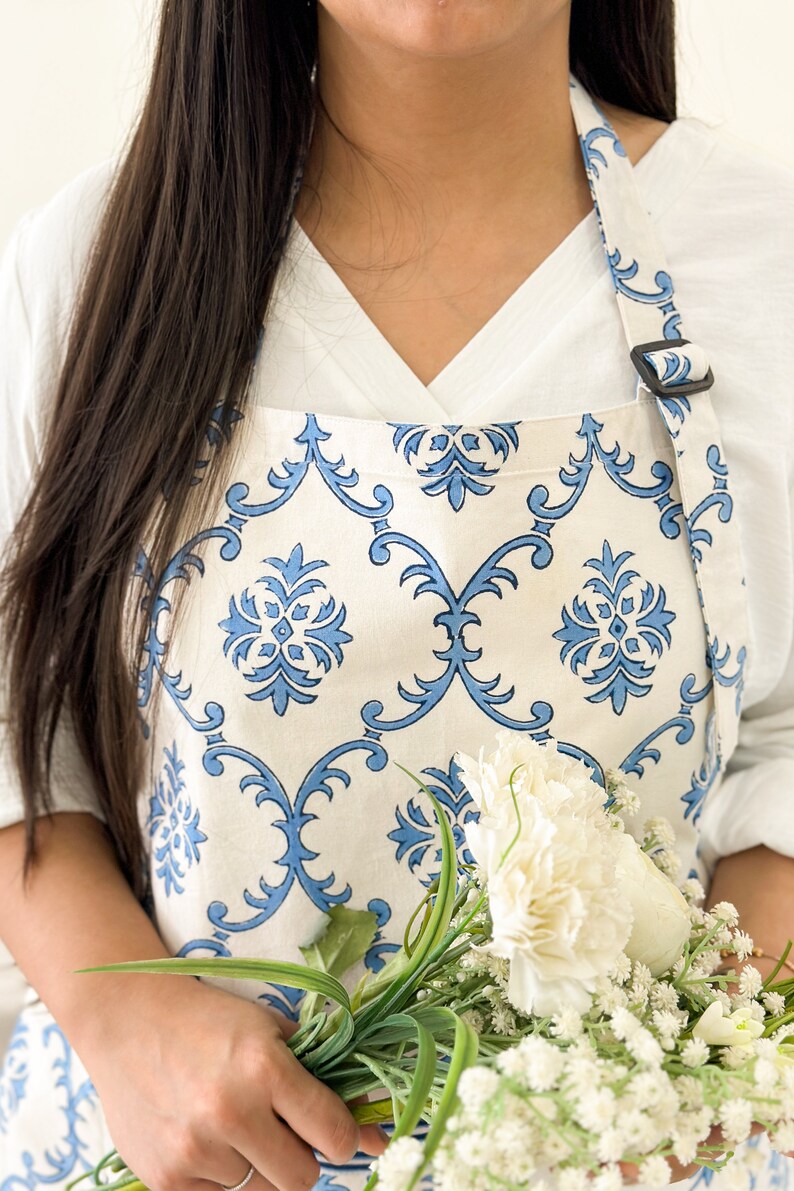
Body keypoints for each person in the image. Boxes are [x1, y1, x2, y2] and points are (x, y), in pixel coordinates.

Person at [0, 2, 792, 1190]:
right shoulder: (97, 262)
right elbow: (23, 735)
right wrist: (131, 1029)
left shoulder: (761, 264)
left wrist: (674, 1083)